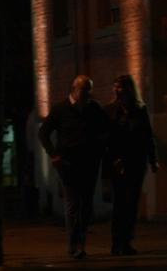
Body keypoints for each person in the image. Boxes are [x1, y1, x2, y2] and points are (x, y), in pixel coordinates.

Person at [38, 75, 109, 259]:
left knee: (84, 203)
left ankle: (79, 242)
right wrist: (53, 154)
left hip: (89, 162)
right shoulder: (61, 109)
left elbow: (106, 131)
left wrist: (99, 151)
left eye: (89, 91)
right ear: (75, 90)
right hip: (67, 163)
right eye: (84, 91)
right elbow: (44, 132)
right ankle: (75, 242)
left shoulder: (94, 108)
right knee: (72, 202)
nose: (87, 95)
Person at [104, 75, 158, 256]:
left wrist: (153, 160)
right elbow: (106, 139)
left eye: (120, 87)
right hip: (117, 163)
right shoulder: (111, 110)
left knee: (132, 203)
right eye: (115, 87)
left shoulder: (139, 110)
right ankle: (116, 241)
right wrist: (112, 159)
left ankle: (126, 241)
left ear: (129, 90)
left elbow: (147, 136)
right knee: (120, 203)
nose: (117, 91)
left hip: (135, 162)